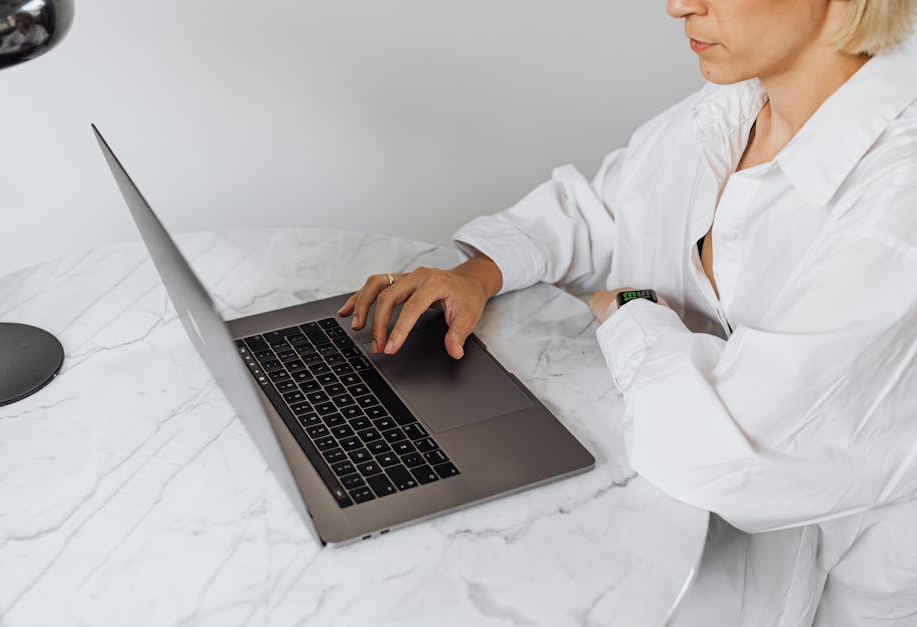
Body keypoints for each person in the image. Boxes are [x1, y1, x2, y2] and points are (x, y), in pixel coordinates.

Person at [339, 0, 917, 624]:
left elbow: (725, 450)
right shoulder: (731, 110)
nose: (677, 6)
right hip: (655, 530)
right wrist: (477, 272)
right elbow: (603, 210)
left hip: (804, 595)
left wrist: (632, 311)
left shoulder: (897, 203)